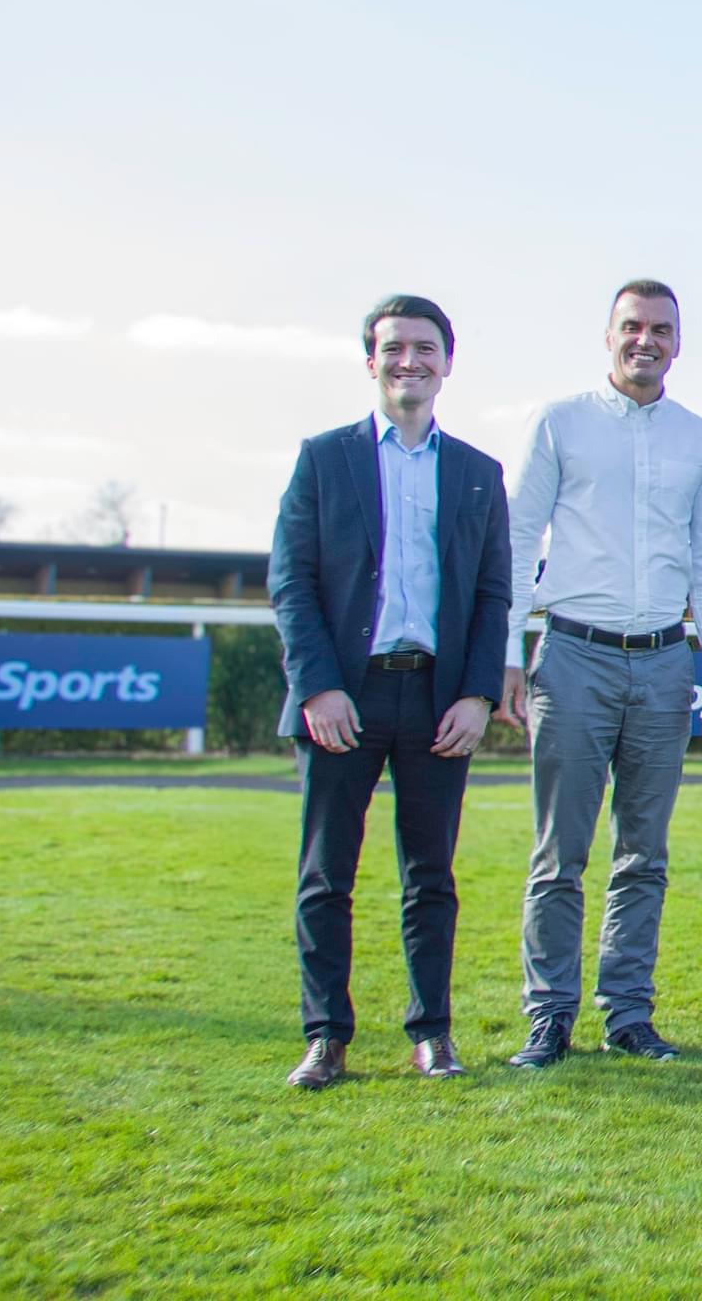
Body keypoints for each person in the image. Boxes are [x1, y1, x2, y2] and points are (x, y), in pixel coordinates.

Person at [498, 279, 702, 1068]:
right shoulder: (559, 424)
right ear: (608, 336)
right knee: (558, 855)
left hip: (664, 663)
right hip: (571, 656)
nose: (647, 340)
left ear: (678, 342)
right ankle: (549, 1016)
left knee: (645, 854)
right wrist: (506, 654)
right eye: (632, 327)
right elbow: (515, 542)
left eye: (661, 329)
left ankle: (629, 1014)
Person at [269, 294, 511, 1089]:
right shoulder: (324, 458)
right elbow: (291, 584)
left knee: (430, 877)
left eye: (425, 348)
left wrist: (478, 694)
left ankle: (431, 1033)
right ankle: (326, 1037)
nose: (410, 361)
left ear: (448, 361)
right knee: (325, 875)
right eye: (394, 347)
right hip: (345, 697)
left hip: (437, 701)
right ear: (370, 361)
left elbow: (492, 596)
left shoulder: (478, 473)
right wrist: (318, 687)